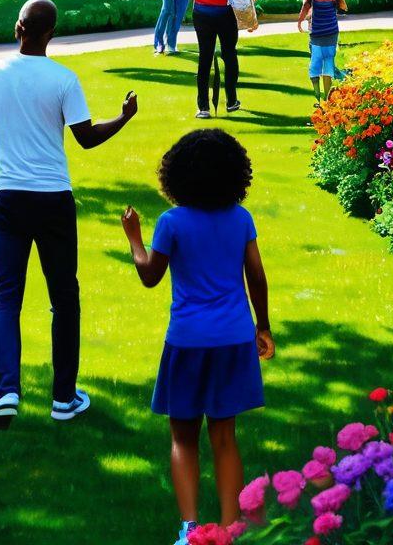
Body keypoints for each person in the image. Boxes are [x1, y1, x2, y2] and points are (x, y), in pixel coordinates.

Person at [0, 0, 138, 429]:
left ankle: (6, 390)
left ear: (18, 28)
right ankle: (63, 398)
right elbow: (86, 138)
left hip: (8, 199)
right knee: (64, 298)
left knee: (6, 297)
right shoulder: (64, 79)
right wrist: (123, 117)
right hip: (53, 199)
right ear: (51, 35)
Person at [121, 129, 273, 545]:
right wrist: (263, 326)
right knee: (225, 437)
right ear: (233, 174)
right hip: (233, 338)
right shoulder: (241, 218)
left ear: (178, 174)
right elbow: (256, 275)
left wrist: (135, 239)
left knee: (183, 437)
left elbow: (150, 275)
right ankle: (230, 527)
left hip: (187, 340)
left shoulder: (172, 222)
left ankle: (189, 531)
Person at [297, 0, 347, 106]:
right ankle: (326, 100)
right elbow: (343, 6)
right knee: (328, 63)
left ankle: (318, 98)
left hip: (316, 31)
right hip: (332, 31)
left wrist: (300, 21)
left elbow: (306, 7)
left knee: (315, 64)